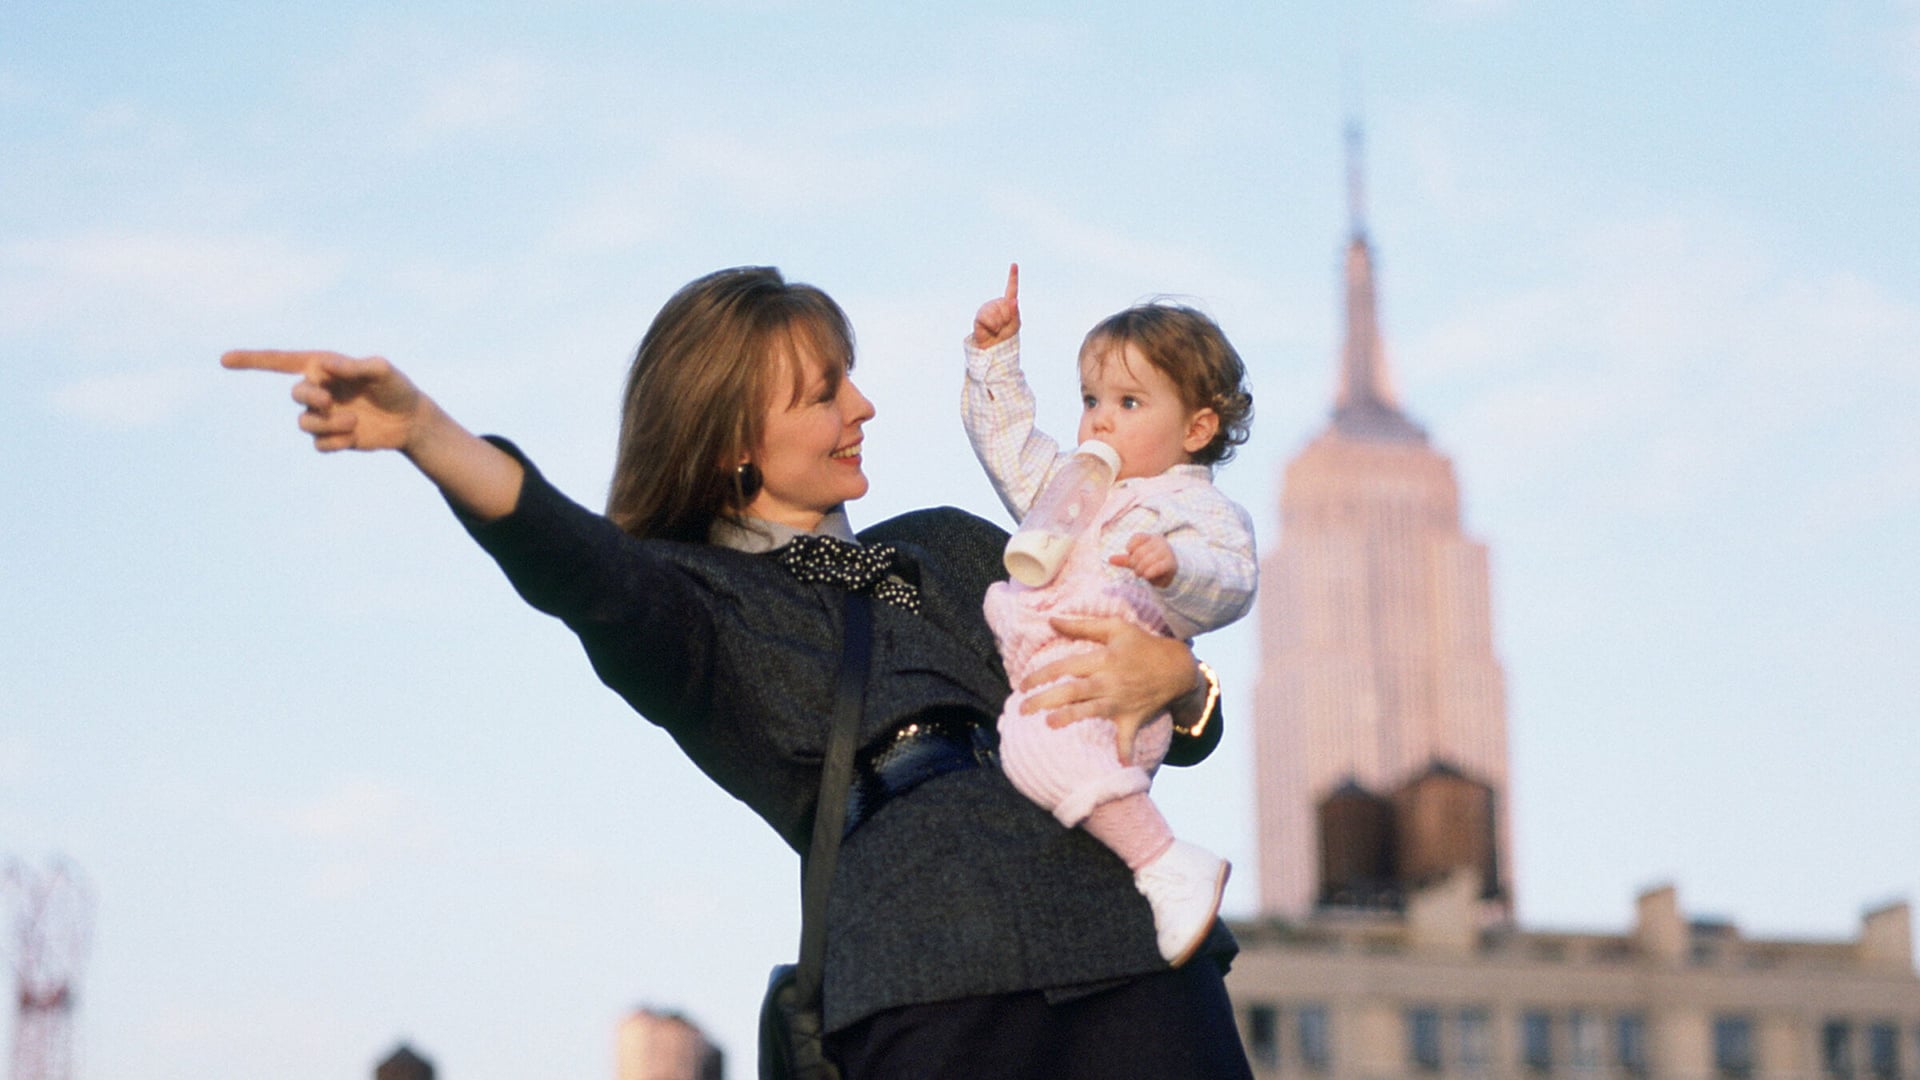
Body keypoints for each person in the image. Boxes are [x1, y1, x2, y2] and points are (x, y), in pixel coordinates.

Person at [223, 265, 1254, 1079]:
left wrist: (1172, 681)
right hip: (922, 976)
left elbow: (1171, 697)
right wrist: (426, 434)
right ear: (733, 443)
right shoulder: (687, 601)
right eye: (824, 391)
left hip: (1125, 936)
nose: (865, 406)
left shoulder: (950, 541)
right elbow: (574, 562)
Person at [963, 264, 1257, 968]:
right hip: (1049, 663)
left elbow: (1233, 582)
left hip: (1119, 682)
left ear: (1197, 427)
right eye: (1092, 398)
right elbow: (1007, 448)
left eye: (1128, 402)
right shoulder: (1075, 486)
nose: (1099, 418)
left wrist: (1174, 569)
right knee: (1029, 758)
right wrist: (994, 358)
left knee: (1039, 757)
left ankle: (1167, 864)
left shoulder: (1200, 511)